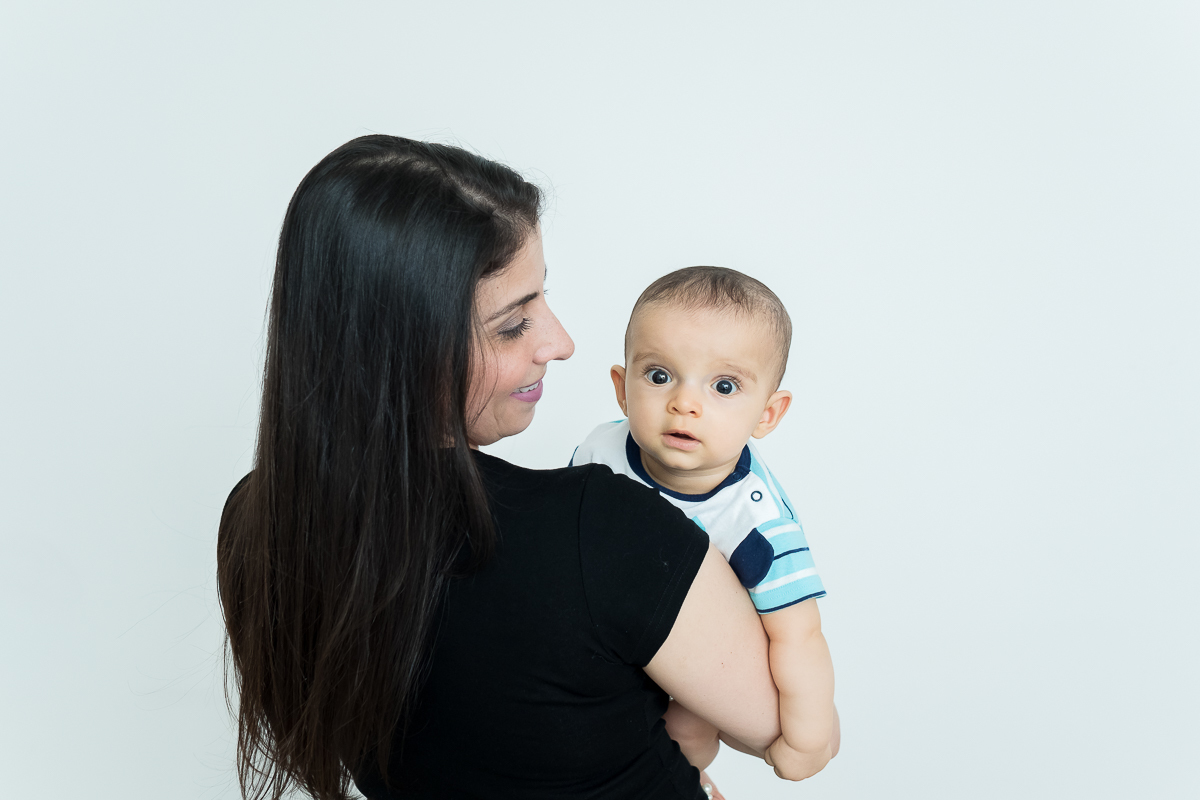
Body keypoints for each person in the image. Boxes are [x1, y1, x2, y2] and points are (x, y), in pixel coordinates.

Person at [216, 135, 799, 800]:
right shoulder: (604, 531)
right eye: (513, 325)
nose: (560, 343)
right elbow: (778, 721)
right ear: (406, 347)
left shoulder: (259, 521)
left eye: (542, 298)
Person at [570, 266, 839, 782]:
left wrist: (806, 740)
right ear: (622, 389)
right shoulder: (601, 451)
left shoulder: (757, 522)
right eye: (659, 376)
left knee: (686, 733)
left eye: (724, 386)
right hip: (617, 632)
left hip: (711, 652)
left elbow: (800, 635)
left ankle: (680, 781)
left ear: (767, 414)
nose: (684, 404)